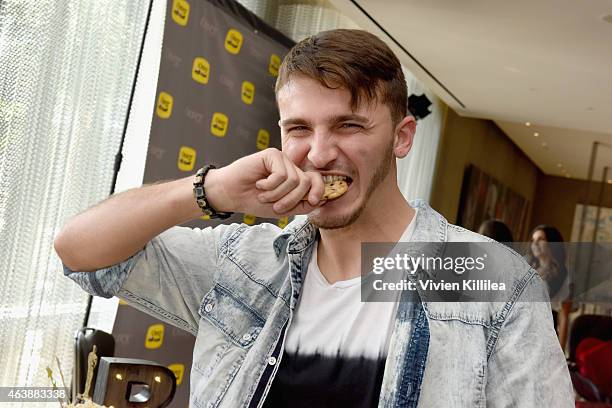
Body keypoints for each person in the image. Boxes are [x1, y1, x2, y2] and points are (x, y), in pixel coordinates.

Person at [54, 29, 573, 407]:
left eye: (349, 125)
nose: (319, 154)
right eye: (299, 128)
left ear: (402, 137)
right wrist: (208, 190)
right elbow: (79, 251)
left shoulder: (490, 279)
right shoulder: (245, 262)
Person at [527, 224, 569, 300]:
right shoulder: (527, 267)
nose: (535, 244)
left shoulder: (561, 272)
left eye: (540, 239)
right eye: (533, 240)